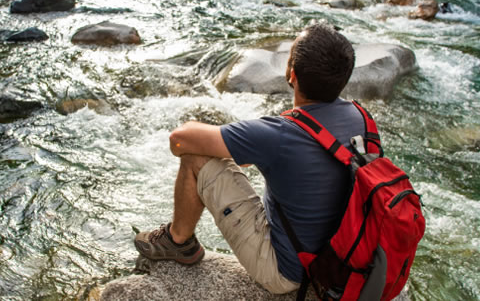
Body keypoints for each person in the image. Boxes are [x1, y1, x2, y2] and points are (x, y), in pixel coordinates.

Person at [134, 23, 367, 294]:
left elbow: (179, 140)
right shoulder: (363, 119)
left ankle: (178, 241)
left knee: (195, 158)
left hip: (288, 272)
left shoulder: (280, 134)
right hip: (347, 258)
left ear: (291, 74)